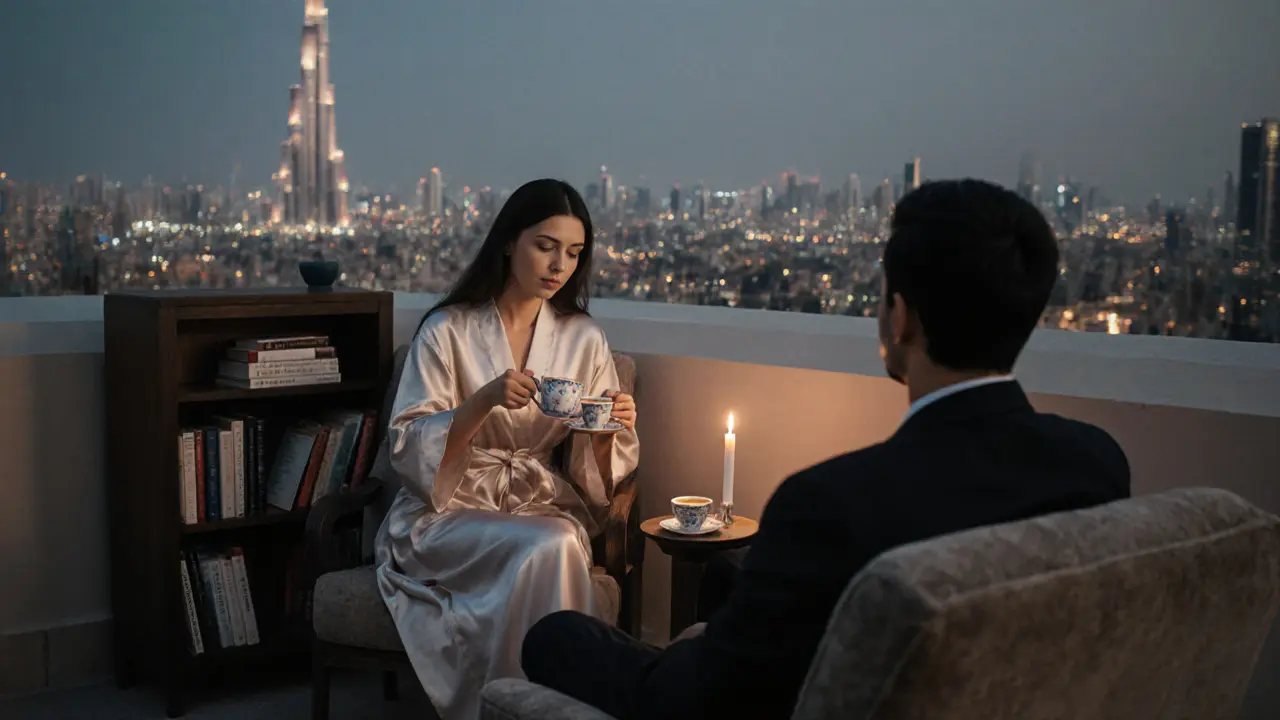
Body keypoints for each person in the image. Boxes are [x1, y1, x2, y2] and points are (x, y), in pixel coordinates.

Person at [520, 178, 1131, 720]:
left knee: (556, 637)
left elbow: (706, 699)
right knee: (728, 581)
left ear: (900, 319)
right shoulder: (1094, 464)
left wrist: (689, 653)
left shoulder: (832, 503)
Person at [374, 178, 640, 720]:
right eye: (545, 246)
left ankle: (544, 706)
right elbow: (407, 443)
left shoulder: (583, 337)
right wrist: (483, 401)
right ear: (507, 243)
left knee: (557, 538)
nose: (558, 265)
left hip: (537, 502)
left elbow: (598, 471)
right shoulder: (447, 329)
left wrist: (610, 426)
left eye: (573, 252)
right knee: (550, 546)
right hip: (447, 511)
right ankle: (525, 707)